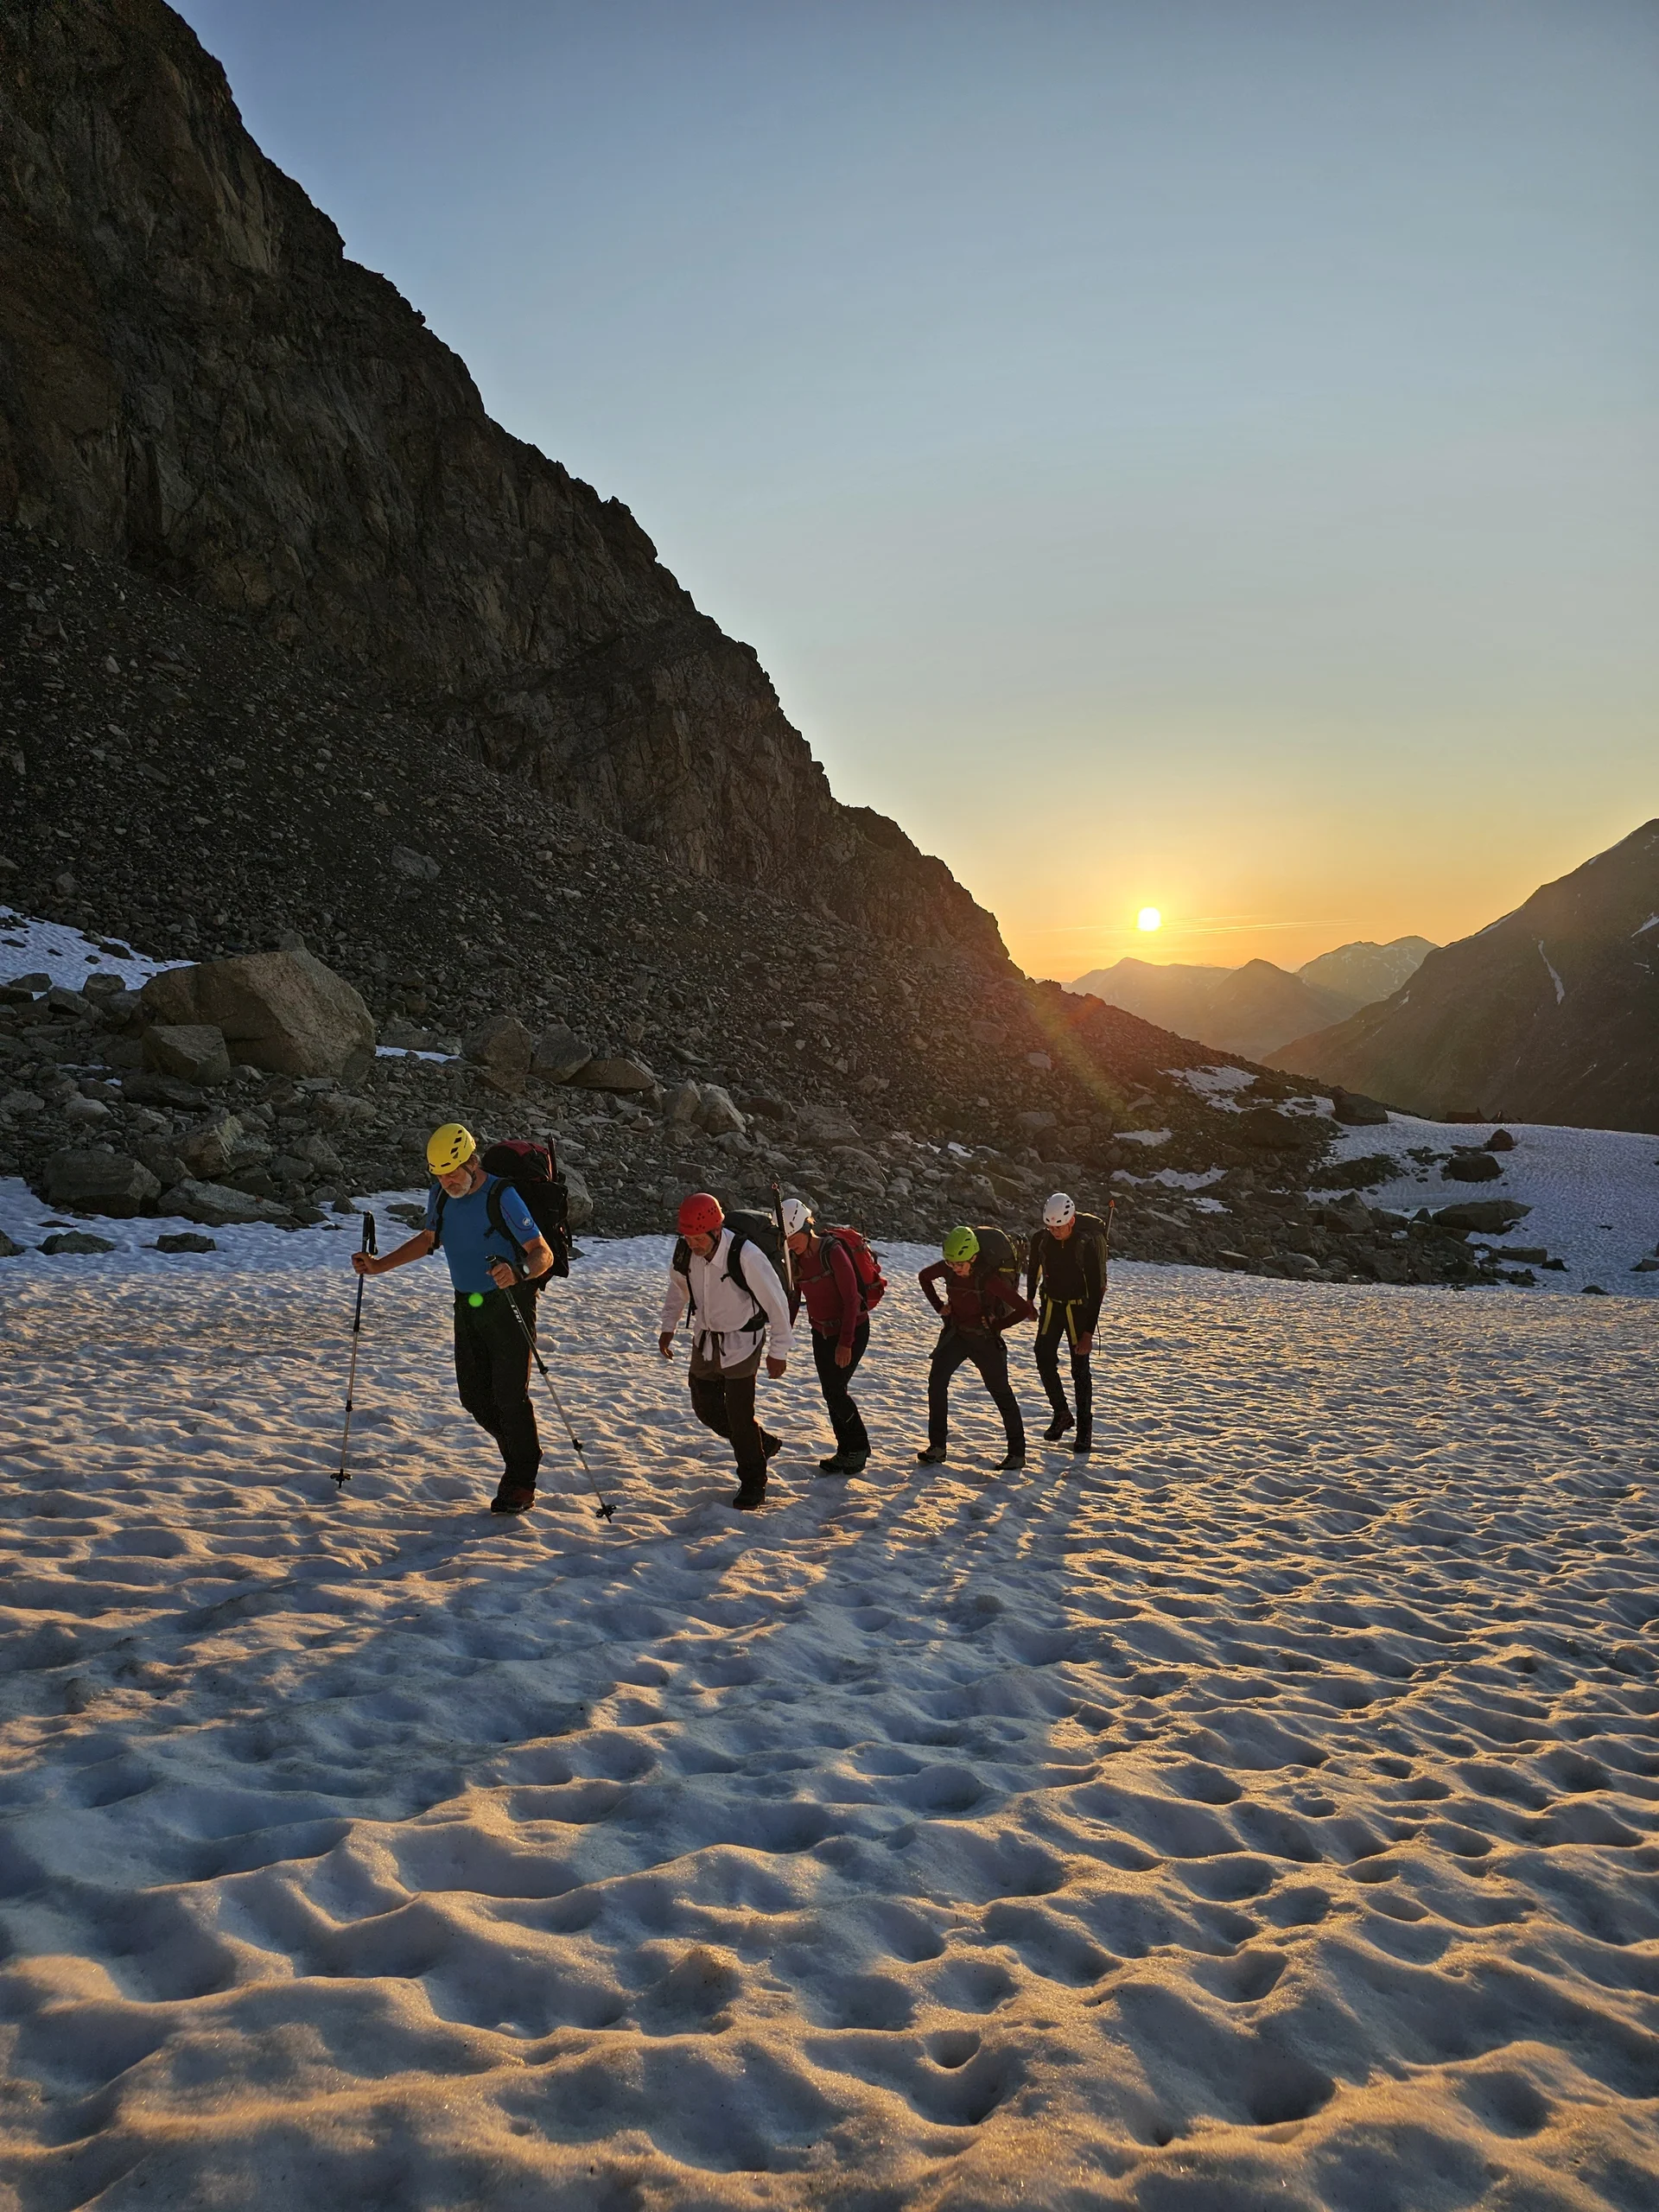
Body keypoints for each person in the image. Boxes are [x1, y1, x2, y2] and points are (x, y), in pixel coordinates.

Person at [351, 1122, 556, 1514]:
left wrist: (519, 1272)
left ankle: (521, 1477)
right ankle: (520, 1452)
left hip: (508, 1304)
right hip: (467, 1305)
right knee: (474, 1396)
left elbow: (541, 1252)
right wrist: (378, 1267)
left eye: (453, 1172)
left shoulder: (503, 1195)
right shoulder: (440, 1198)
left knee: (510, 1396)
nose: (448, 1181)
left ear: (471, 1162)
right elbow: (428, 1240)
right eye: (440, 1174)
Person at [658, 1192, 791, 1510]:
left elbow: (777, 1302)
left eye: (698, 1238)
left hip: (743, 1342)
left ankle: (754, 1482)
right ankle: (762, 1444)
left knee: (740, 1416)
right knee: (705, 1407)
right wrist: (668, 1327)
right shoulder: (685, 1252)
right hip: (705, 1339)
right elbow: (678, 1290)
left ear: (716, 1231)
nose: (693, 1245)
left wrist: (779, 1351)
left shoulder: (744, 1255)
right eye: (688, 1238)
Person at [917, 1225, 1035, 1471]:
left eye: (960, 1264)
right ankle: (937, 1447)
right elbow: (924, 1277)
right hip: (956, 1335)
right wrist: (940, 1306)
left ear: (973, 1256)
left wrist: (998, 1326)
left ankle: (1017, 1453)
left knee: (1001, 1392)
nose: (955, 1269)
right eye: (950, 1264)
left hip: (984, 1340)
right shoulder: (950, 1270)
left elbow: (1023, 1309)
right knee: (937, 1382)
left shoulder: (987, 1278)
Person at [781, 1197, 871, 1477]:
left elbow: (851, 1299)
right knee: (830, 1392)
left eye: (794, 1237)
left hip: (851, 1330)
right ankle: (846, 1451)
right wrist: (783, 1335)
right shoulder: (795, 1260)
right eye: (787, 1240)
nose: (791, 1244)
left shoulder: (832, 1252)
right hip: (820, 1332)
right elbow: (794, 1299)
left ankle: (858, 1447)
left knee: (835, 1391)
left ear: (807, 1229)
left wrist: (845, 1343)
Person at [1026, 1192, 1106, 1453]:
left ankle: (1084, 1431)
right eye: (1050, 1226)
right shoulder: (1040, 1240)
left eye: (1059, 1226)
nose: (1055, 1231)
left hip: (1078, 1310)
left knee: (1079, 1369)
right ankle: (1061, 1412)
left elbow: (1096, 1291)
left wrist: (1088, 1334)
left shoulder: (1085, 1245)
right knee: (1043, 1356)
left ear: (1071, 1221)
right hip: (1051, 1306)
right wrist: (1029, 1301)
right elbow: (1033, 1271)